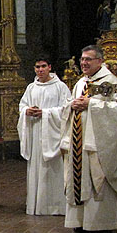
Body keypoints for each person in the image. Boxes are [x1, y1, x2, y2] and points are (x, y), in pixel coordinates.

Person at [60, 45, 117, 233]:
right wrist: (72, 105)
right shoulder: (81, 82)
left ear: (100, 61)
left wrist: (92, 104)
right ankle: (79, 222)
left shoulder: (110, 81)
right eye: (82, 59)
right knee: (77, 178)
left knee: (97, 178)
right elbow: (68, 105)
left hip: (97, 143)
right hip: (77, 142)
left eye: (88, 59)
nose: (84, 63)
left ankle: (100, 225)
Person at [18, 56, 71, 215]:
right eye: (37, 67)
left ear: (49, 67)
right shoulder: (31, 87)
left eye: (43, 66)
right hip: (35, 132)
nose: (40, 70)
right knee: (36, 167)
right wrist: (27, 111)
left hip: (52, 133)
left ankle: (55, 206)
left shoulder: (60, 87)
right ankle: (36, 205)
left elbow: (66, 109)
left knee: (53, 169)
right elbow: (22, 105)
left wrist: (46, 113)